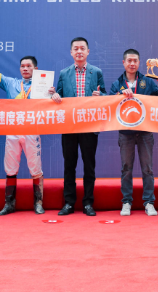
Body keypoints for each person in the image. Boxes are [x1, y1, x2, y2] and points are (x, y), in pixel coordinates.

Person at [0, 54, 46, 216]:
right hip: (13, 130)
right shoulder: (10, 83)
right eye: (22, 66)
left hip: (32, 130)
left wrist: (51, 94)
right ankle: (9, 204)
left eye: (29, 66)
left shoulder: (43, 86)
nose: (25, 69)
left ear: (36, 69)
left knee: (35, 168)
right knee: (10, 168)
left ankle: (38, 203)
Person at [50, 37, 106, 216]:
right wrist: (54, 95)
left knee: (89, 166)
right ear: (71, 52)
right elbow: (58, 95)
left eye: (82, 48)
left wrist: (100, 96)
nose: (79, 51)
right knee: (69, 165)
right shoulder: (64, 73)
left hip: (89, 126)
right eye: (76, 48)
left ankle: (88, 203)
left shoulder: (96, 72)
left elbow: (106, 95)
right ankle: (69, 203)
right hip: (69, 127)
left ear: (88, 51)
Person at [110, 49, 158, 216]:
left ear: (139, 63)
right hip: (125, 133)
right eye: (129, 60)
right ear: (124, 63)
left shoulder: (147, 82)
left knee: (147, 169)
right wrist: (120, 95)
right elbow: (109, 102)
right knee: (126, 169)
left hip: (145, 132)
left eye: (135, 61)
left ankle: (149, 202)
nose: (132, 63)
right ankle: (126, 202)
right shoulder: (117, 84)